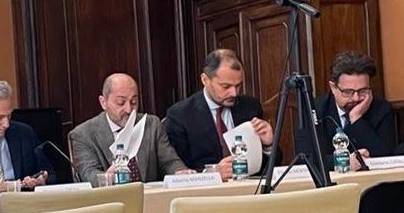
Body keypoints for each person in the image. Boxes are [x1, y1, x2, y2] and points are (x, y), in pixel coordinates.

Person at [165, 49, 279, 180]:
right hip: (207, 191)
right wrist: (212, 173)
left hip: (249, 187)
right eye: (226, 87)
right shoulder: (181, 115)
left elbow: (271, 167)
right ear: (205, 80)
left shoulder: (249, 107)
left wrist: (268, 146)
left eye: (238, 86)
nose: (234, 93)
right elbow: (178, 171)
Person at [69, 73, 194, 187]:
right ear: (103, 102)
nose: (129, 109)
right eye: (120, 102)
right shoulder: (83, 134)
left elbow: (169, 162)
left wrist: (179, 172)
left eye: (134, 102)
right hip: (111, 200)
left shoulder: (151, 124)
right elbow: (89, 175)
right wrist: (109, 176)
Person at [298, 50, 395, 170]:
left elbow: (388, 158)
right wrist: (344, 161)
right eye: (348, 92)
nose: (356, 98)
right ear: (333, 87)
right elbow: (304, 158)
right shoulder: (314, 109)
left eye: (363, 91)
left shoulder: (382, 109)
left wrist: (356, 119)